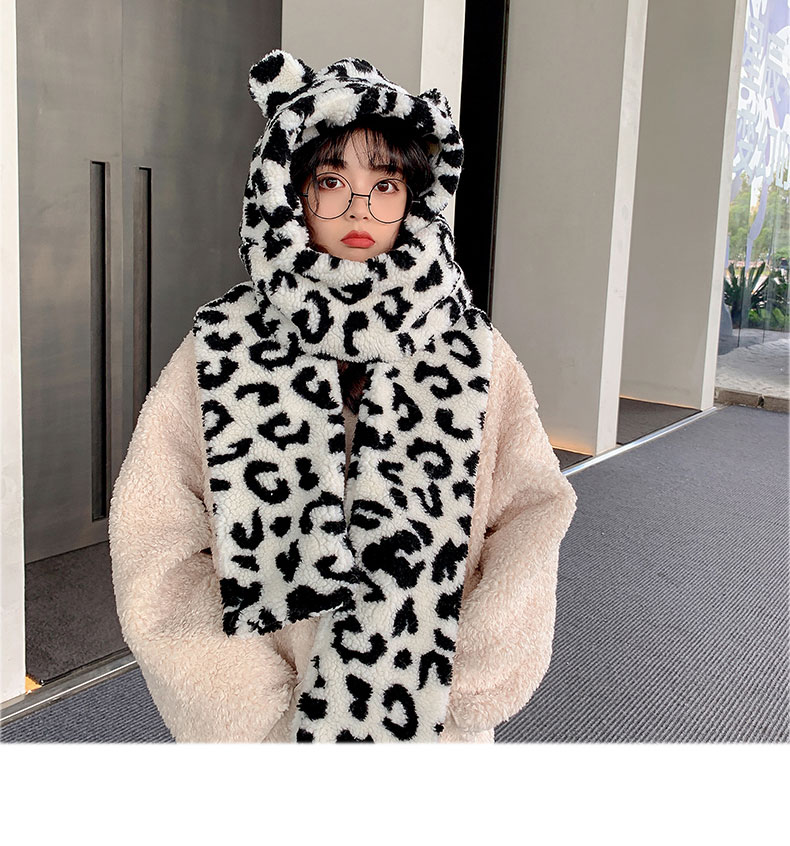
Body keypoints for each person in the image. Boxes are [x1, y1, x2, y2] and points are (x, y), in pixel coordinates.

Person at [108, 49, 578, 743]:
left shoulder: (473, 350)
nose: (360, 207)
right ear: (289, 191)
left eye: (385, 183)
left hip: (433, 724)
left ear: (416, 197)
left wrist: (470, 675)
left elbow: (533, 511)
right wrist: (248, 709)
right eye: (331, 181)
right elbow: (156, 535)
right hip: (272, 734)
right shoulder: (223, 345)